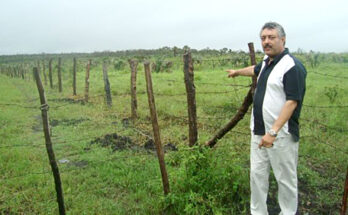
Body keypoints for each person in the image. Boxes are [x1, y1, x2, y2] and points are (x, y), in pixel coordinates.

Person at [226, 22, 307, 214]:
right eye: (263, 38)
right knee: (257, 175)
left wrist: (273, 132)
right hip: (258, 132)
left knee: (285, 179)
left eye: (271, 37)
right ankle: (258, 212)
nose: (266, 42)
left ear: (283, 39)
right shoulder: (267, 62)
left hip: (280, 135)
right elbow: (255, 69)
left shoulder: (292, 67)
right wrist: (237, 72)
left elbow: (292, 102)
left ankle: (287, 212)